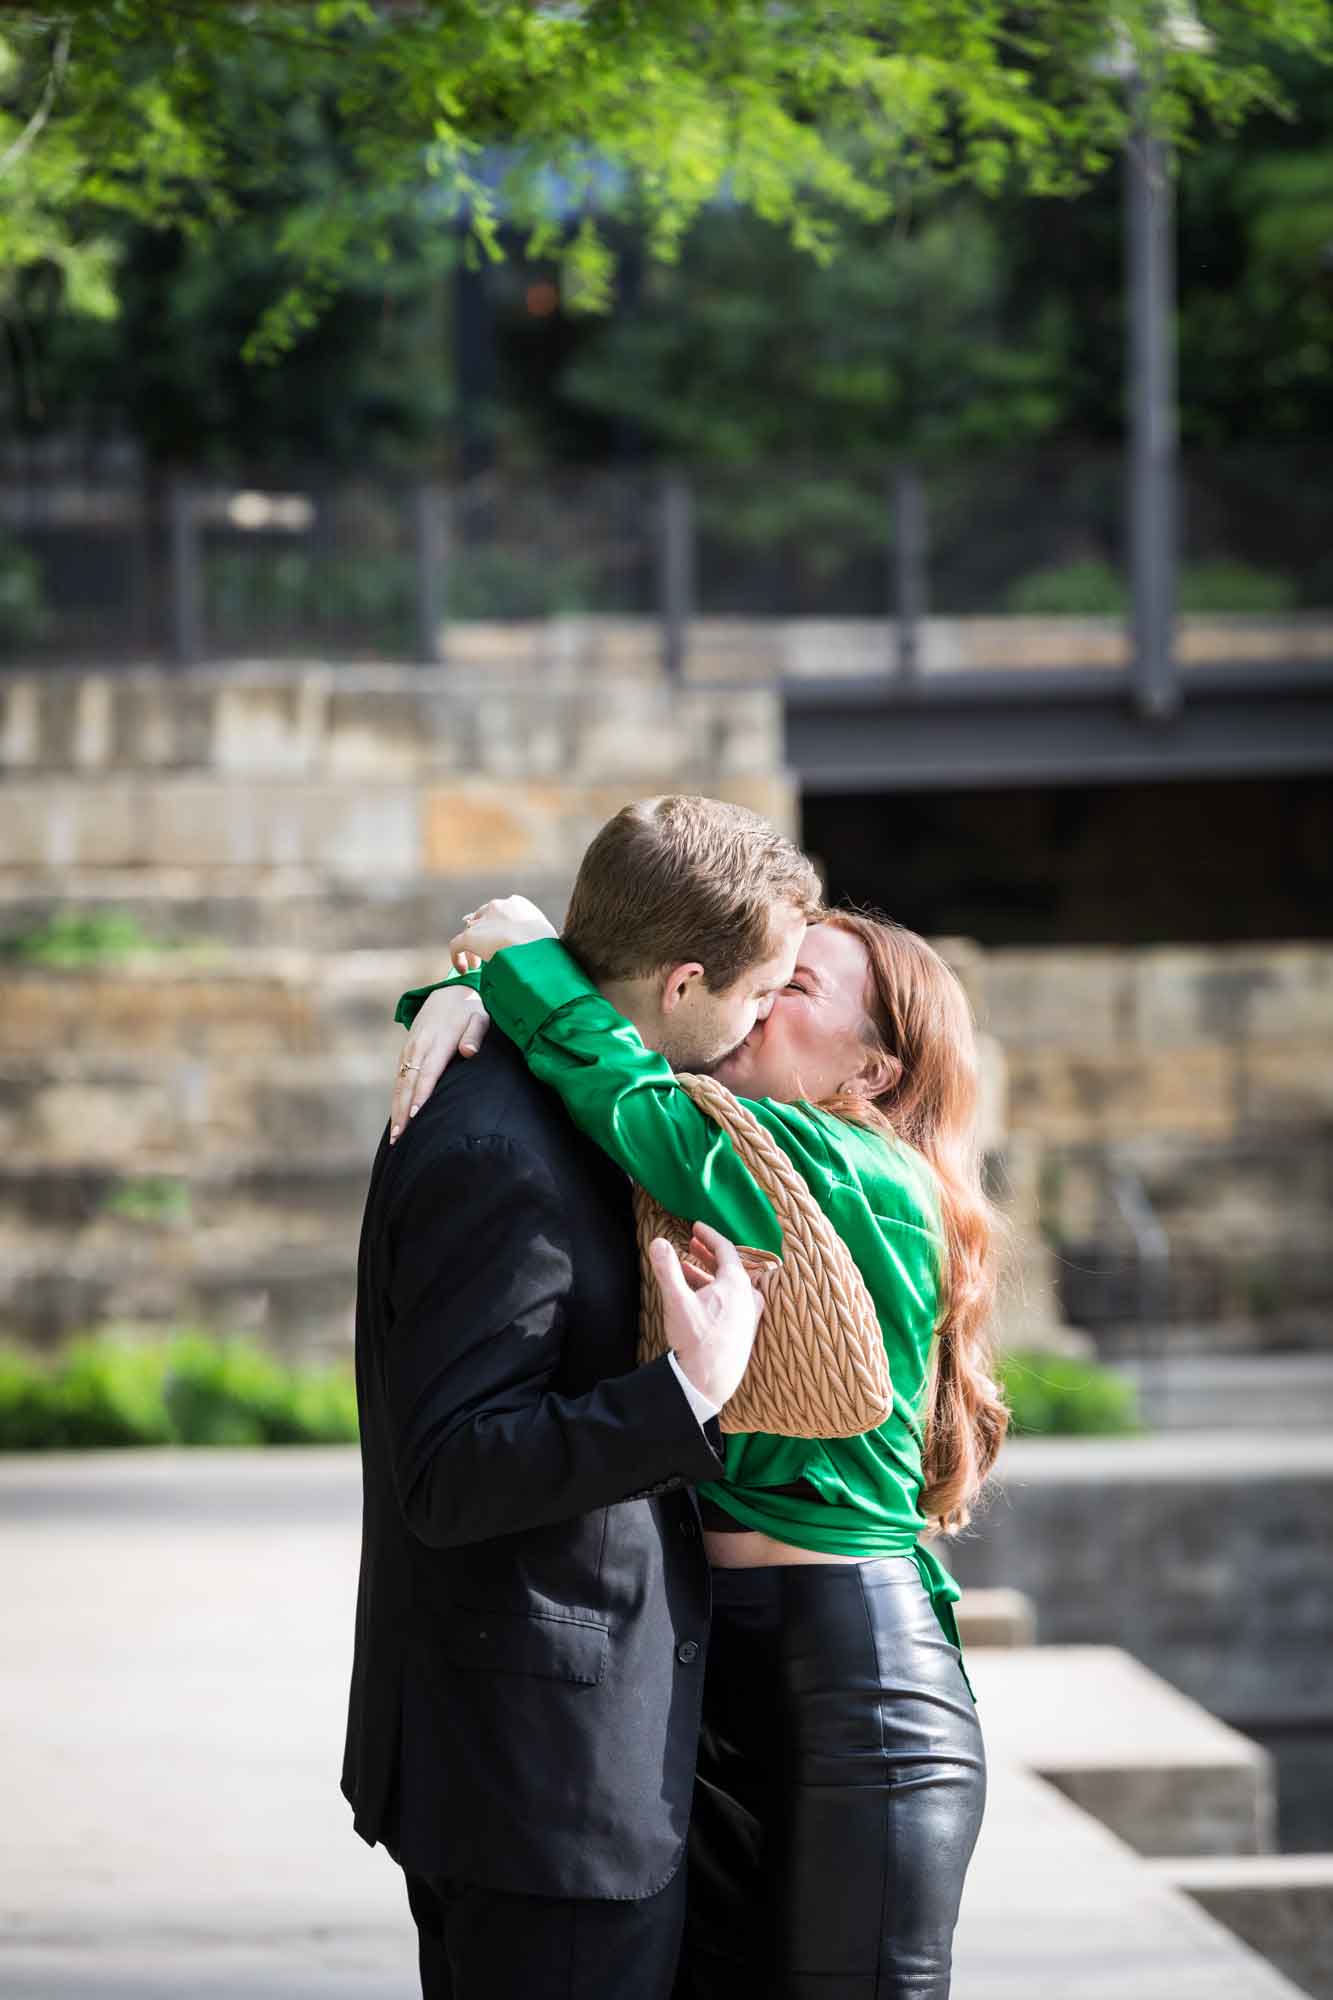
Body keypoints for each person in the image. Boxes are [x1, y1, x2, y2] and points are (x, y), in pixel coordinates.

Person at [394, 891, 1009, 2000]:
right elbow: (640, 1021)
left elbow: (628, 1091)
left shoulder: (854, 1171)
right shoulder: (720, 1152)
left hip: (856, 1686)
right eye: (762, 980)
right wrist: (461, 993)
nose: (756, 1003)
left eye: (794, 990)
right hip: (713, 1660)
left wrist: (521, 963)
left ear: (870, 1072)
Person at [341, 794, 821, 2000]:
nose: (765, 1022)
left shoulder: (560, 1095)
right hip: (537, 1787)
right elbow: (451, 1468)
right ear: (682, 981)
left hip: (543, 1768)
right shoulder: (502, 1146)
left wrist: (473, 981)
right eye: (761, 993)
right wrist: (684, 1392)